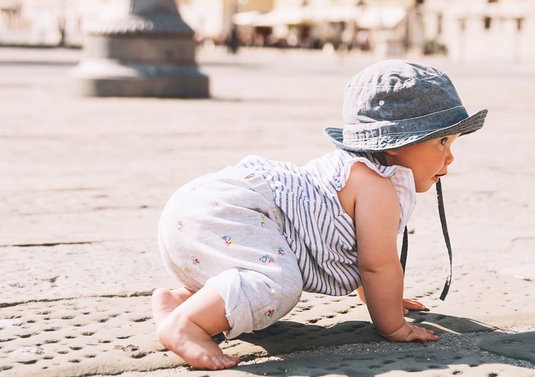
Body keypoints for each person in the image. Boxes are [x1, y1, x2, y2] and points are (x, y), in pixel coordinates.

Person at [151, 60, 488, 370]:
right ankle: (187, 326)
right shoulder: (376, 187)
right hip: (231, 214)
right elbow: (377, 264)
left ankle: (182, 301)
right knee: (278, 284)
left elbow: (363, 259)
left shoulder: (351, 170)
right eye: (442, 142)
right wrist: (394, 325)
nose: (450, 157)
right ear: (395, 142)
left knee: (250, 273)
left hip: (195, 211)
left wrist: (386, 295)